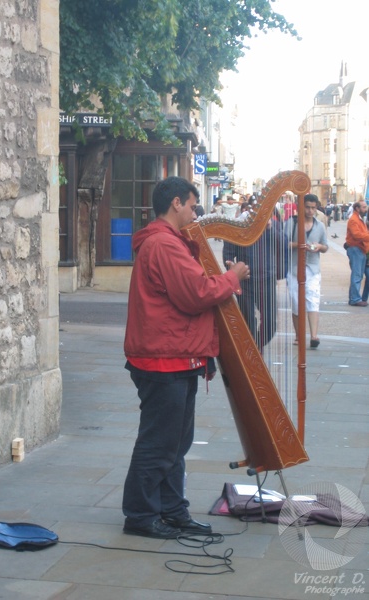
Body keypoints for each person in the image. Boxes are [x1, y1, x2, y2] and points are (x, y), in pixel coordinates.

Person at [122, 176, 250, 539]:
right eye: (193, 206)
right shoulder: (164, 244)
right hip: (164, 357)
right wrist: (232, 276)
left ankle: (173, 510)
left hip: (175, 354)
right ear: (176, 203)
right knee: (159, 443)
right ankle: (141, 515)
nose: (196, 214)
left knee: (176, 442)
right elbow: (195, 293)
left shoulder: (169, 242)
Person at [223, 212, 287, 351]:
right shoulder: (237, 228)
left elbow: (283, 244)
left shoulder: (272, 226)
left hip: (267, 279)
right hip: (245, 281)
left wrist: (269, 228)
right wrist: (233, 270)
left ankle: (255, 347)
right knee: (248, 322)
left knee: (270, 324)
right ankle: (253, 354)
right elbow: (227, 255)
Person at [285, 194, 328, 348]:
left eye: (313, 208)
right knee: (296, 301)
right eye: (308, 207)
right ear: (301, 206)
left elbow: (326, 246)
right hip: (294, 268)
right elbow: (284, 243)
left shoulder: (319, 225)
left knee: (313, 300)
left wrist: (319, 247)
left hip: (313, 268)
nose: (310, 211)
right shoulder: (292, 223)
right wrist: (298, 244)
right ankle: (298, 335)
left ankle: (314, 336)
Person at [345, 200, 369, 306]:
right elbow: (357, 235)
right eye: (363, 207)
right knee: (357, 274)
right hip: (355, 248)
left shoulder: (359, 219)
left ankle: (354, 298)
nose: (366, 209)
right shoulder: (354, 220)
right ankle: (355, 299)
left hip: (360, 249)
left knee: (357, 274)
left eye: (366, 207)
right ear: (357, 208)